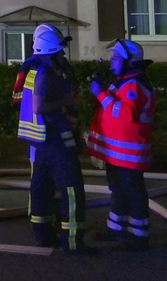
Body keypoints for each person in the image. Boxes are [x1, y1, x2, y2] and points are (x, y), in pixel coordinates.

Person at [16, 23, 94, 253]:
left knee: (41, 188)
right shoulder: (46, 73)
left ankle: (43, 235)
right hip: (55, 140)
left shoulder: (34, 69)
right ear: (51, 51)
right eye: (60, 50)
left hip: (41, 143)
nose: (63, 54)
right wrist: (67, 103)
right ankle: (71, 243)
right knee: (71, 189)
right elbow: (40, 106)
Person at [87, 39, 156, 251]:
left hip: (129, 152)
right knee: (118, 189)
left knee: (132, 191)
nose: (111, 62)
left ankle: (139, 235)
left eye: (115, 58)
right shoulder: (126, 81)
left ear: (128, 61)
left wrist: (100, 93)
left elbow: (125, 114)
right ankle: (116, 229)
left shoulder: (134, 85)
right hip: (119, 152)